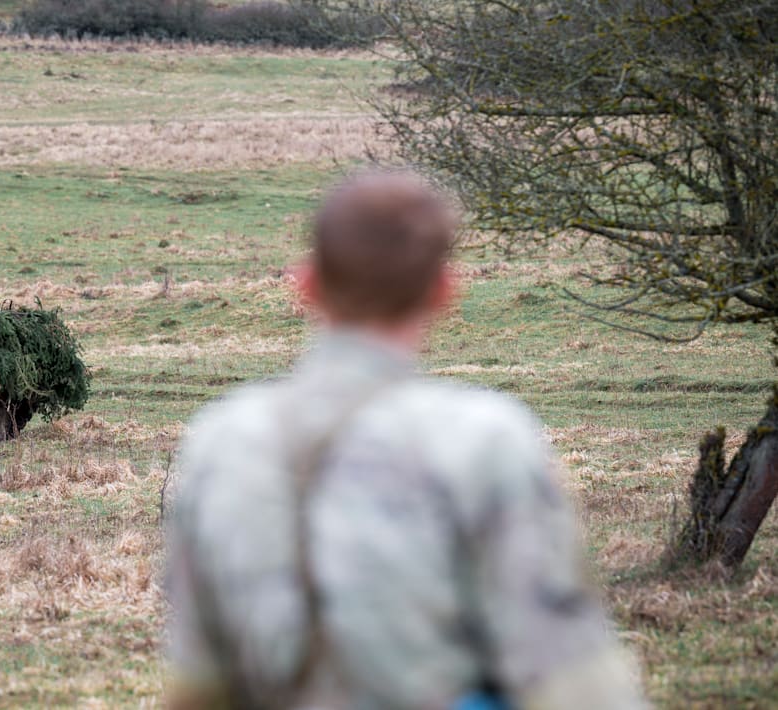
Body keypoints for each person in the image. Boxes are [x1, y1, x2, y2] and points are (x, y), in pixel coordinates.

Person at [166, 171, 645, 709]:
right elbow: (573, 684)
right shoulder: (485, 439)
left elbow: (197, 686)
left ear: (306, 284)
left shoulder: (219, 439)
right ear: (444, 290)